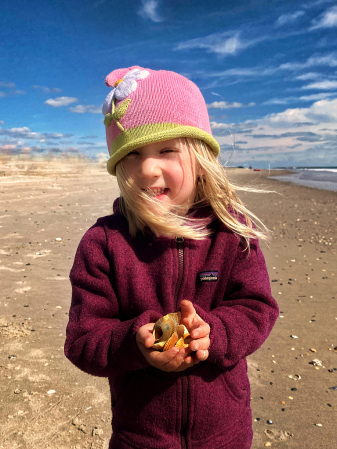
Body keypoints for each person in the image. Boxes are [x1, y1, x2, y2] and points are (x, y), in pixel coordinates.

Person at [64, 66, 279, 449]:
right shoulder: (103, 243)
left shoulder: (231, 234)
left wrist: (213, 332)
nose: (148, 169)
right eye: (131, 155)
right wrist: (137, 343)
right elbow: (83, 340)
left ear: (200, 160)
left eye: (166, 150)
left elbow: (256, 308)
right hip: (139, 436)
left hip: (225, 435)